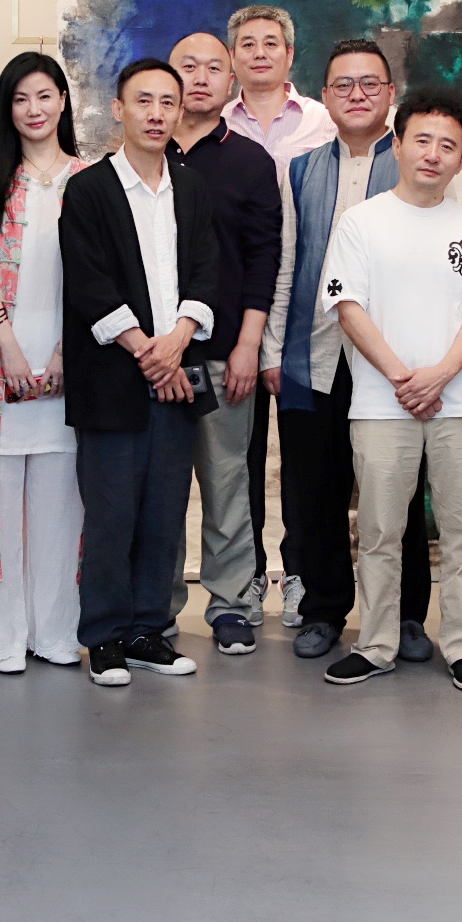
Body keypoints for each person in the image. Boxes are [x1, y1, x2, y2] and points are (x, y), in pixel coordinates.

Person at [320, 87, 462, 693]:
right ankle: (375, 644)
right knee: (378, 531)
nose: (433, 154)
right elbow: (347, 305)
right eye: (421, 140)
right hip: (381, 402)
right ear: (396, 145)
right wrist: (403, 377)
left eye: (447, 145)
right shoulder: (361, 222)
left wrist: (440, 374)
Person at [261, 40, 439, 663]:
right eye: (343, 85)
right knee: (316, 492)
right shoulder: (301, 169)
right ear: (325, 96)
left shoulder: (417, 159)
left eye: (370, 84)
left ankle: (405, 616)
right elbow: (288, 262)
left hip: (394, 363)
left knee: (398, 493)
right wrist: (274, 349)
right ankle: (323, 611)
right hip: (314, 355)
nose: (356, 95)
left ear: (391, 94)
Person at [61, 59, 221, 686]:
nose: (156, 114)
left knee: (163, 510)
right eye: (143, 101)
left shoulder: (192, 187)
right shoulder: (89, 189)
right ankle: (104, 637)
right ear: (118, 109)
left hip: (176, 373)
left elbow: (207, 269)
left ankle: (148, 629)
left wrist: (176, 342)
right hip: (112, 377)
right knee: (110, 513)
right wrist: (147, 352)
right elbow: (89, 280)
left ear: (180, 112)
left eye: (167, 103)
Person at [0, 53, 87, 674]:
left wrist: (63, 353)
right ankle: (3, 637)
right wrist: (7, 346)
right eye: (20, 98)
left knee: (60, 505)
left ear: (63, 101)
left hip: (71, 364)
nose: (34, 109)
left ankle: (54, 630)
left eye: (44, 96)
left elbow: (99, 278)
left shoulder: (90, 179)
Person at [166, 32, 282, 652]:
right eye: (188, 66)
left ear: (230, 80)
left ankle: (233, 604)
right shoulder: (142, 156)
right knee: (159, 488)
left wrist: (249, 344)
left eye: (214, 68)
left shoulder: (250, 161)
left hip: (224, 351)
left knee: (227, 481)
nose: (201, 77)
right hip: (154, 356)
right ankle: (155, 608)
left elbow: (265, 258)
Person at [223, 5, 336, 618]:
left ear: (291, 54)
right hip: (234, 309)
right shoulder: (214, 127)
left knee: (304, 457)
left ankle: (300, 573)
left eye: (272, 43)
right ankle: (246, 575)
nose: (260, 52)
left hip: (306, 309)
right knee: (240, 458)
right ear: (233, 56)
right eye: (248, 43)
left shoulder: (323, 122)